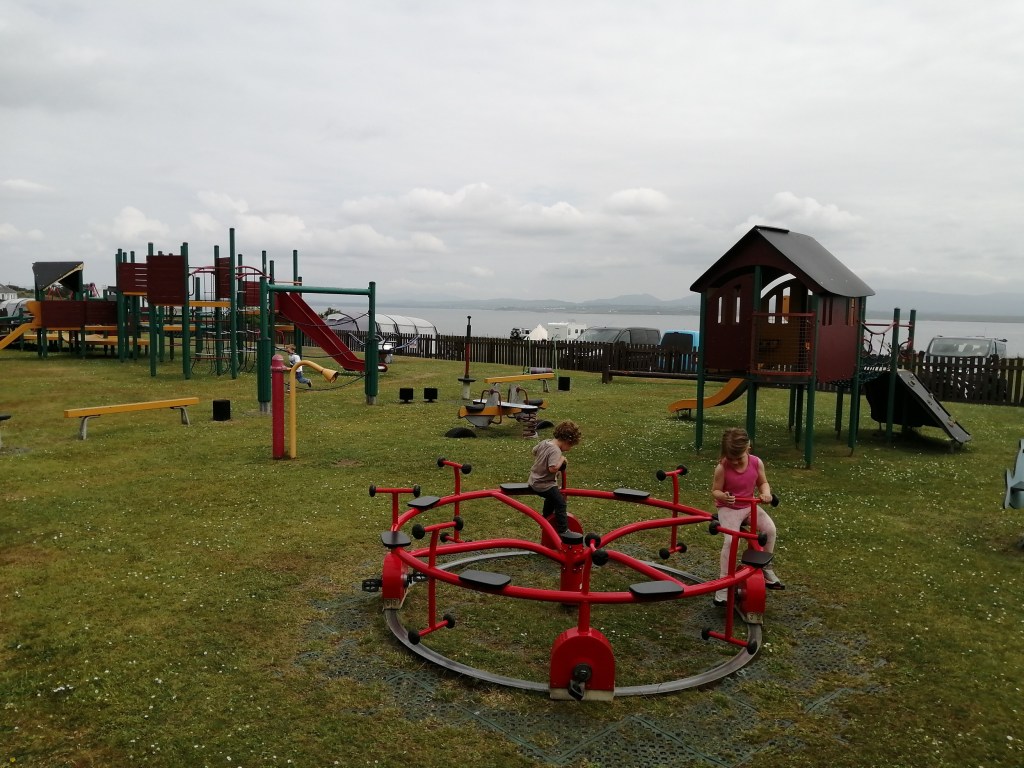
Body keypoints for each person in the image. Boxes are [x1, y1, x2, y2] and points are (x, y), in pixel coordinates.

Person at [711, 427, 783, 606]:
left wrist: (766, 493)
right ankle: (723, 585)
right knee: (731, 541)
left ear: (748, 449)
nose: (734, 462)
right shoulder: (722, 468)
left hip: (749, 506)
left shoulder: (756, 463)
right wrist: (723, 496)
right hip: (729, 509)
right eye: (731, 458)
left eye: (739, 458)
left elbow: (763, 482)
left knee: (770, 529)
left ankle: (766, 568)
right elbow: (715, 491)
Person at [528, 420, 582, 534]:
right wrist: (561, 459)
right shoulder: (556, 450)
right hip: (544, 484)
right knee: (560, 502)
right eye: (570, 445)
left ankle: (545, 520)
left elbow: (534, 451)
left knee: (552, 498)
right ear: (567, 441)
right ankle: (564, 531)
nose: (570, 448)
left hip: (534, 480)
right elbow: (552, 468)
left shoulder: (545, 442)